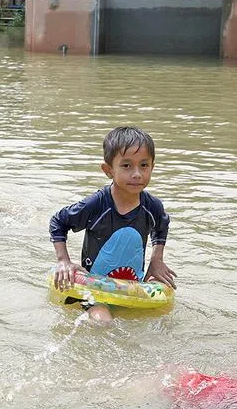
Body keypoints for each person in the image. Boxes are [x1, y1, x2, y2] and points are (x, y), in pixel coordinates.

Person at [49, 126, 175, 323]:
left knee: (162, 319)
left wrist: (156, 259)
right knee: (103, 322)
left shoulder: (152, 207)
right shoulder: (96, 205)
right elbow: (58, 222)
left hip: (132, 288)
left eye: (144, 165)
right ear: (108, 170)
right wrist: (63, 260)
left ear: (152, 167)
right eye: (126, 166)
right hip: (95, 291)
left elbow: (162, 225)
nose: (137, 174)